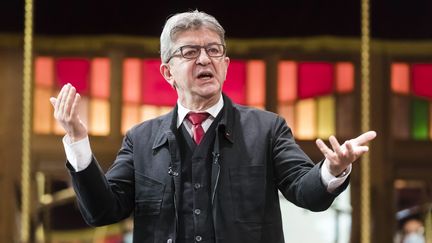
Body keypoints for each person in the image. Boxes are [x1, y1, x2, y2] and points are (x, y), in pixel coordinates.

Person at [50, 10, 377, 243]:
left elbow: (307, 193)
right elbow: (103, 212)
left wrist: (331, 171)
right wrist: (78, 142)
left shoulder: (267, 129)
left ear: (225, 64)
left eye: (213, 51)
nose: (204, 60)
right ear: (167, 72)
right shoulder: (141, 139)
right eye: (190, 52)